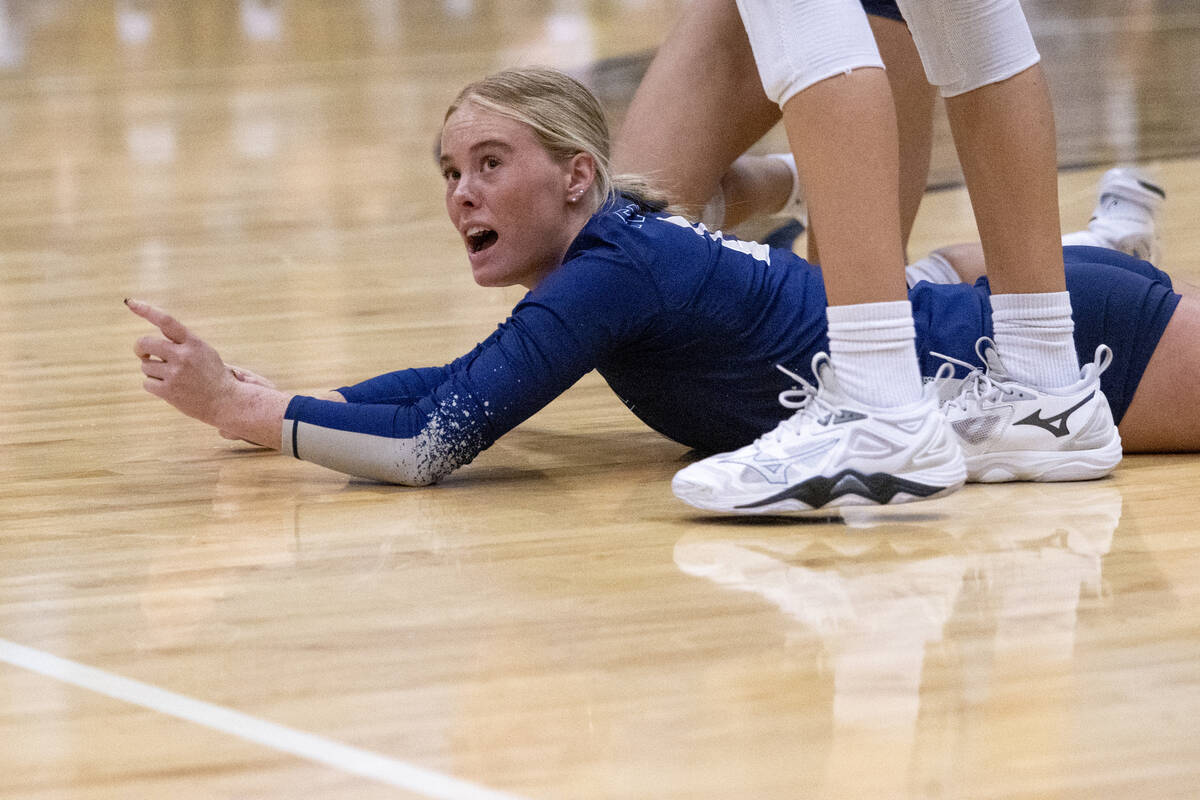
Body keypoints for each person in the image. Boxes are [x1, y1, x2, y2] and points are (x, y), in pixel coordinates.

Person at [127, 68, 1195, 505]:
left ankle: (1099, 245)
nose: (462, 193)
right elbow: (462, 380)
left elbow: (432, 440)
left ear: (577, 177)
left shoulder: (613, 274)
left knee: (918, 279)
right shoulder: (613, 256)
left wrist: (256, 413)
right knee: (915, 276)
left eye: (492, 164)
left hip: (1097, 351)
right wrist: (303, 398)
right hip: (1015, 325)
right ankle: (1098, 236)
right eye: (452, 173)